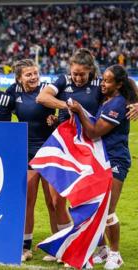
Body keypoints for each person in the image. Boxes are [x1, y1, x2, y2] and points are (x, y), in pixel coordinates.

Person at [68, 65, 137, 270]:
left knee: (108, 211)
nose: (102, 84)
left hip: (115, 160)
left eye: (107, 81)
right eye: (103, 79)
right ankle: (103, 250)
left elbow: (94, 132)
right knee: (93, 208)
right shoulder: (107, 99)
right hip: (100, 160)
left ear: (119, 84)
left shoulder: (117, 103)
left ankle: (115, 255)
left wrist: (79, 110)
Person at [36, 48, 102, 242]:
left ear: (91, 71)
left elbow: (127, 89)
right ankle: (67, 242)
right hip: (63, 145)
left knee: (83, 199)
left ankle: (91, 243)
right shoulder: (64, 81)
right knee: (57, 200)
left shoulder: (99, 84)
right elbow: (42, 97)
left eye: (82, 74)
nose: (78, 78)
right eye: (75, 74)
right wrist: (67, 106)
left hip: (89, 146)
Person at [5, 59, 58, 262]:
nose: (34, 77)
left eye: (35, 73)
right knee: (28, 201)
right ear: (19, 78)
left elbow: (66, 107)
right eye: (28, 74)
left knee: (54, 202)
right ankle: (25, 247)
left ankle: (58, 245)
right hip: (26, 152)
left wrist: (56, 119)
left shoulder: (48, 89)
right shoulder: (13, 92)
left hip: (50, 151)